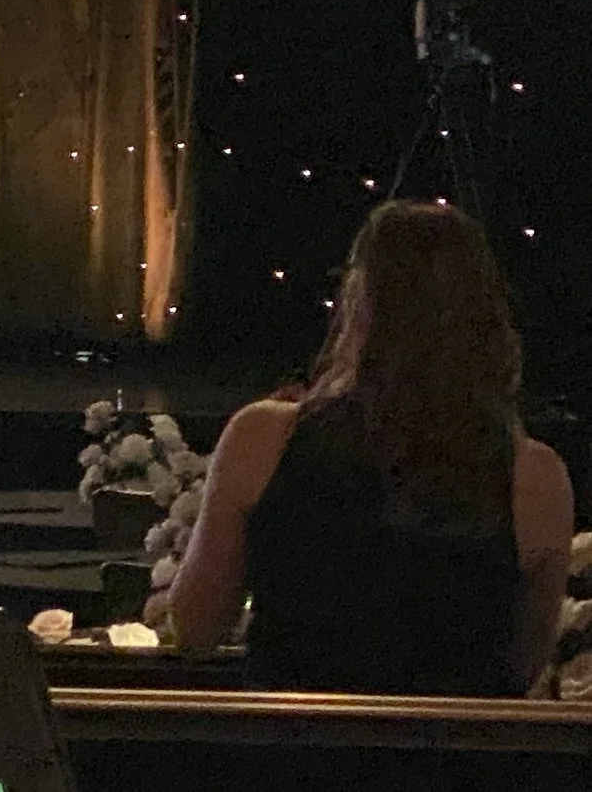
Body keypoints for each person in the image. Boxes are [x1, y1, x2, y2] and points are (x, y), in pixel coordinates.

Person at [168, 201, 575, 696]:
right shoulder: (535, 477)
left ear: (358, 301)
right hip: (453, 766)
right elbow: (520, 668)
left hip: (285, 760)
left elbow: (196, 629)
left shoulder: (264, 439)